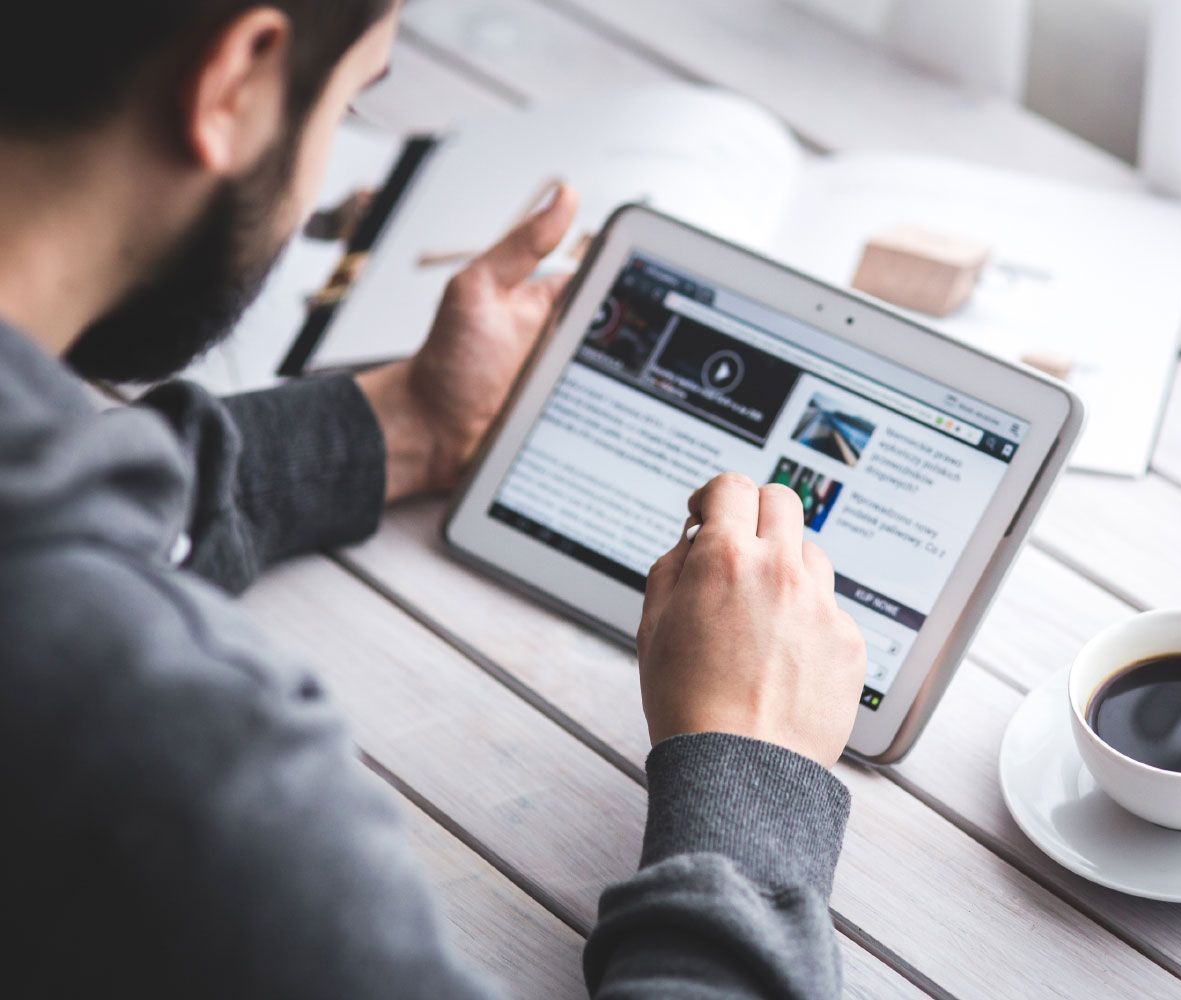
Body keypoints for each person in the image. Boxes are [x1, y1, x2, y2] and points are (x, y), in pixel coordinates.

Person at [0, 2, 868, 997]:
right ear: (238, 78)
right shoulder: (177, 763)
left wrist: (404, 422)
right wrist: (749, 772)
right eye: (351, 101)